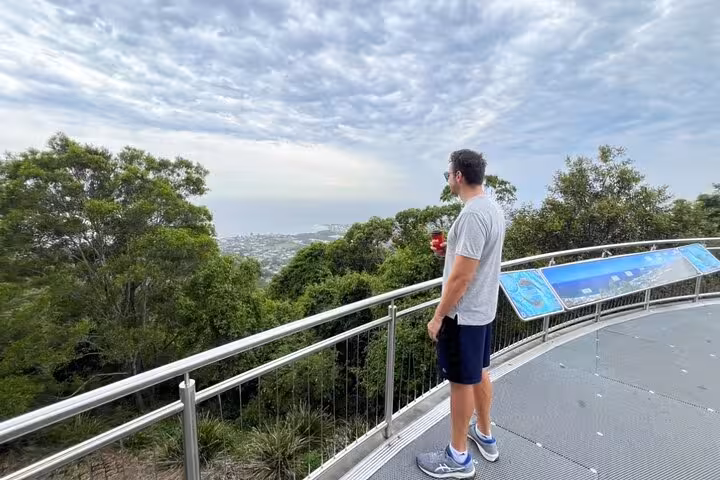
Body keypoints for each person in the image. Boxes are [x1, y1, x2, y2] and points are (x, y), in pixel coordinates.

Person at [416, 149, 505, 479]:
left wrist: (439, 315)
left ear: (458, 176)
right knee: (480, 372)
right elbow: (470, 258)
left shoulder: (470, 216)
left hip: (463, 315)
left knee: (461, 383)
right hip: (482, 311)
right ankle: (484, 433)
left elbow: (462, 277)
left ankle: (458, 458)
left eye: (447, 174)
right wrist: (448, 250)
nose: (448, 179)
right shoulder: (491, 207)